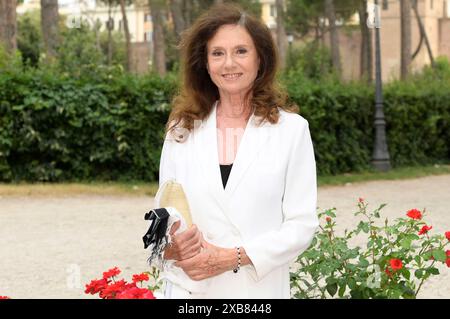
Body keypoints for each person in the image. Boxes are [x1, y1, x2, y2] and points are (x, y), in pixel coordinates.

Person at [157, 3, 318, 299]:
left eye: (241, 51)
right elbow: (161, 215)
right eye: (217, 53)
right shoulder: (180, 129)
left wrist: (232, 258)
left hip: (256, 294)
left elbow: (302, 225)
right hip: (190, 294)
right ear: (205, 63)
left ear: (261, 60)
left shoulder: (292, 131)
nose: (229, 63)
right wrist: (169, 247)